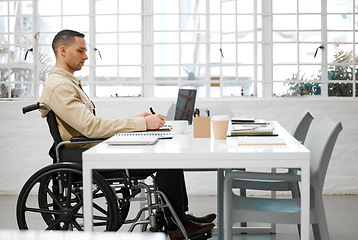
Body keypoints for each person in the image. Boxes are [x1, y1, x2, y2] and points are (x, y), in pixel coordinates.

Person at [39, 29, 215, 240]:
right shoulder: (60, 86)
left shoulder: (66, 83)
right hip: (88, 154)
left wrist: (138, 122)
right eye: (81, 50)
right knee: (167, 158)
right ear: (62, 51)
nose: (86, 56)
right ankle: (176, 225)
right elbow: (91, 128)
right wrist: (141, 124)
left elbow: (90, 126)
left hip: (94, 148)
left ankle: (180, 218)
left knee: (166, 151)